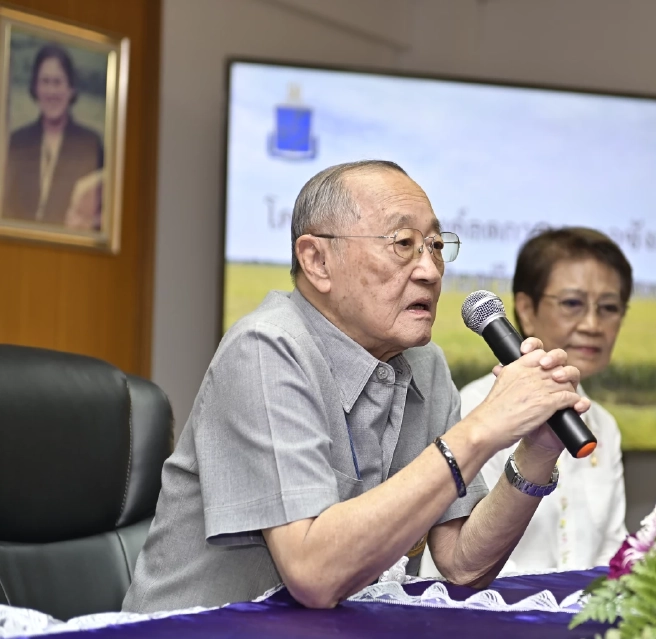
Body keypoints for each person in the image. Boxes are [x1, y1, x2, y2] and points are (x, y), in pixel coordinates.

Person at [123, 160, 590, 613]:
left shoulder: (424, 365)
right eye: (403, 243)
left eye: (435, 246)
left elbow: (464, 563)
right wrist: (483, 427)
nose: (429, 270)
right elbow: (313, 573)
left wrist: (537, 452)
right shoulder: (265, 348)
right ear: (317, 261)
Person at [422, 227, 631, 577]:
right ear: (526, 309)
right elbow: (459, 562)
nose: (594, 324)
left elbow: (613, 551)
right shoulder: (471, 409)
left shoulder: (603, 425)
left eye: (609, 307)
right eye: (573, 304)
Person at [2, 43, 103, 228]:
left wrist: (90, 223)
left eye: (57, 82)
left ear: (71, 89)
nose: (51, 92)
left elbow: (105, 215)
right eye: (45, 81)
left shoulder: (90, 144)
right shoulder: (17, 142)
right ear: (35, 88)